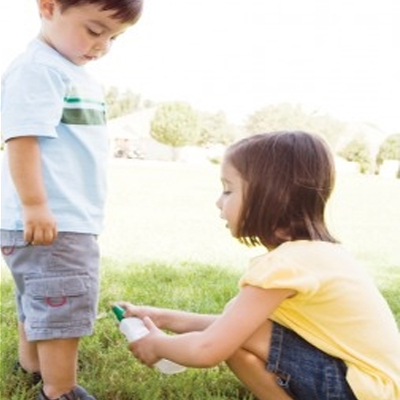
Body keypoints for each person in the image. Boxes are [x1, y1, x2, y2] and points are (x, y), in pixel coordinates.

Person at [118, 131, 400, 400]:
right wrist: (161, 318)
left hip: (362, 391)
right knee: (240, 333)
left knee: (237, 336)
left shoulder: (286, 264)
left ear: (269, 197)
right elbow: (233, 327)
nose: (219, 203)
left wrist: (156, 345)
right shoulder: (317, 255)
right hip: (373, 388)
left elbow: (209, 348)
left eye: (228, 190)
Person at [0, 0, 143, 399]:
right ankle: (60, 390)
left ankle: (31, 368)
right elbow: (21, 139)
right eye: (94, 31)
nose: (102, 46)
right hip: (54, 218)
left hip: (55, 217)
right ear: (48, 7)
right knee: (63, 306)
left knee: (41, 297)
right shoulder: (40, 69)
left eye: (113, 38)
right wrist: (35, 205)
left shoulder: (63, 70)